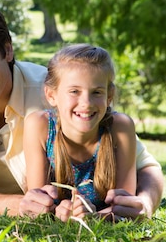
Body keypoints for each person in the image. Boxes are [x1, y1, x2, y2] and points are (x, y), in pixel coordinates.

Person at [0, 0, 163, 221]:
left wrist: (145, 203)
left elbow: (145, 166)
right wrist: (21, 206)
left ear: (7, 50)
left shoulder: (59, 93)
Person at [23, 44, 137, 220]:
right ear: (51, 95)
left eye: (97, 92)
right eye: (74, 91)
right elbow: (39, 203)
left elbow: (126, 207)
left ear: (109, 96)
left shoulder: (120, 128)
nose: (86, 102)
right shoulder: (39, 126)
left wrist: (93, 217)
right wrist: (61, 212)